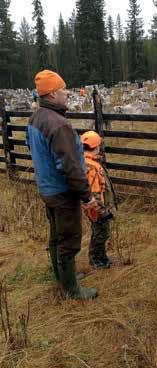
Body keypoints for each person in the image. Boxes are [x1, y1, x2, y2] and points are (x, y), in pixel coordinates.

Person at [26, 70, 99, 300]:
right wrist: (87, 197)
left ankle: (64, 277)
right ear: (52, 94)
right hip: (63, 192)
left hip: (46, 188)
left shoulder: (35, 118)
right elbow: (70, 166)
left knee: (56, 236)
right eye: (63, 89)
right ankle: (72, 290)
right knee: (69, 239)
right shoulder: (58, 125)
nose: (67, 93)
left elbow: (32, 148)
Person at [80, 131, 117, 269]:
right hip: (98, 208)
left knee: (102, 232)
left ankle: (102, 257)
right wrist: (102, 210)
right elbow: (94, 192)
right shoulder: (91, 167)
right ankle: (96, 260)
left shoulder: (87, 161)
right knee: (100, 233)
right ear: (96, 147)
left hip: (97, 207)